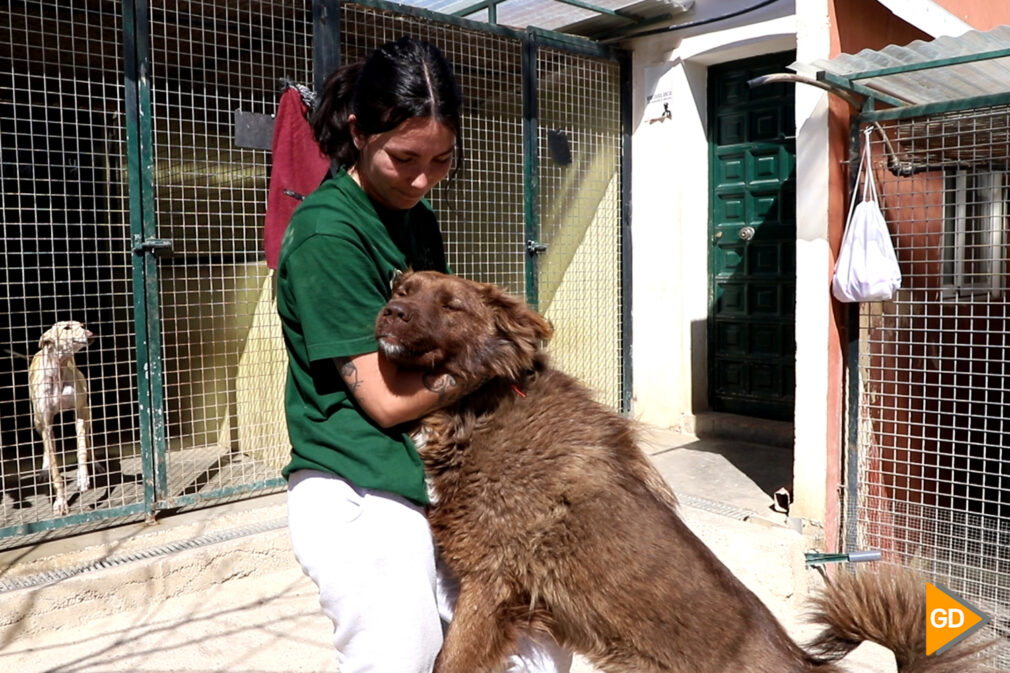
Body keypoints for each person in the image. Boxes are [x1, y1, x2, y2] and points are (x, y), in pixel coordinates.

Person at [276, 36, 572, 673]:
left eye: (441, 160)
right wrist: (489, 362)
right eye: (404, 158)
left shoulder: (416, 217)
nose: (420, 179)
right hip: (357, 482)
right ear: (358, 132)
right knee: (397, 659)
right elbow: (384, 400)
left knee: (537, 644)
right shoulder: (329, 234)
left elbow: (438, 342)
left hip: (433, 472)